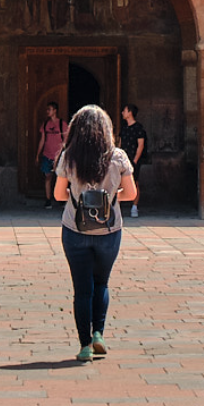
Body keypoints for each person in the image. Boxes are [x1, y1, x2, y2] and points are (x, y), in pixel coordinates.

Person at [50, 105, 137, 363]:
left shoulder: (68, 157)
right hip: (109, 230)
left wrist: (78, 197)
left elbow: (57, 195)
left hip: (75, 229)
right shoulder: (117, 156)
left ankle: (85, 345)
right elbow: (131, 194)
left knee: (82, 289)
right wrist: (110, 198)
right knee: (102, 282)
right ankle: (99, 333)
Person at [118, 104, 148, 219]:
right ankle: (118, 206)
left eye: (124, 110)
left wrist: (135, 160)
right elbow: (120, 143)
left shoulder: (138, 128)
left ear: (130, 112)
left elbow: (140, 145)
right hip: (123, 159)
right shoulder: (124, 128)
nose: (122, 113)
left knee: (134, 182)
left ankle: (134, 206)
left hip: (133, 159)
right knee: (119, 182)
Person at [35, 102, 64, 184]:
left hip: (59, 157)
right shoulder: (46, 124)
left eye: (49, 109)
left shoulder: (62, 124)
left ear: (55, 111)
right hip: (47, 155)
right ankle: (48, 197)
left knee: (59, 179)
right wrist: (37, 155)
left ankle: (57, 197)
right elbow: (42, 140)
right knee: (48, 178)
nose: (47, 111)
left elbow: (66, 140)